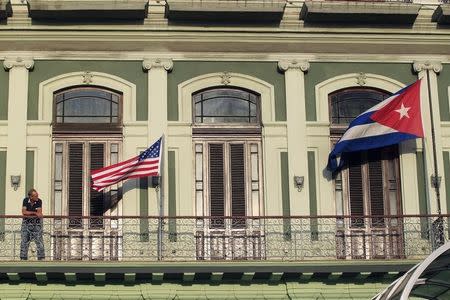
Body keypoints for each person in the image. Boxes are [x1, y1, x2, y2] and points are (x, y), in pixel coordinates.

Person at [20, 188, 45, 260]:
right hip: (26, 224)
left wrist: (29, 213)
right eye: (35, 196)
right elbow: (24, 212)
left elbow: (39, 213)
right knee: (24, 241)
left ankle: (41, 258)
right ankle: (23, 258)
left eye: (37, 195)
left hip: (36, 224)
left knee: (39, 242)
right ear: (30, 197)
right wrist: (34, 213)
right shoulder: (25, 200)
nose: (37, 197)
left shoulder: (39, 201)